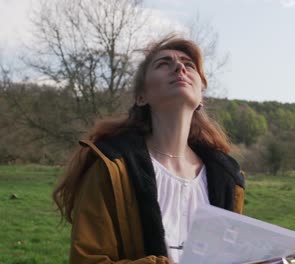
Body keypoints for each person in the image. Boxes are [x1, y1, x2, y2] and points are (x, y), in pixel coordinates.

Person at [52, 35, 245, 264]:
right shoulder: (112, 167)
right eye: (163, 63)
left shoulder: (226, 177)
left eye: (189, 65)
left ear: (200, 97)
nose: (179, 67)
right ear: (142, 97)